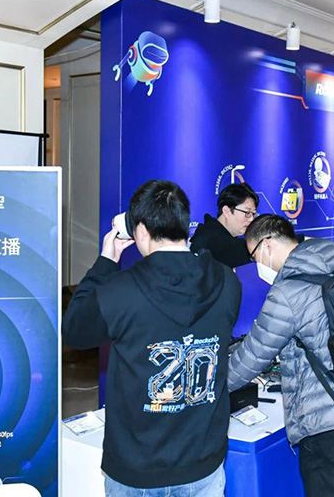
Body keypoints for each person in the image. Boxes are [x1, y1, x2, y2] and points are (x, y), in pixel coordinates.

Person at [63, 180, 241, 496]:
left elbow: (75, 330)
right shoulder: (227, 282)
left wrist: (106, 261)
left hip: (137, 467)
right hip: (202, 462)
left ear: (141, 231)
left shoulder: (121, 291)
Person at [228, 215, 334, 497]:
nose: (255, 263)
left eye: (253, 255)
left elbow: (252, 356)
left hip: (330, 420)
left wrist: (211, 386)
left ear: (267, 245)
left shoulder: (287, 291)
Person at [190, 182, 258, 268]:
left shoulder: (205, 233)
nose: (251, 219)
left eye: (253, 214)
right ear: (226, 211)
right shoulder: (217, 244)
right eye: (247, 213)